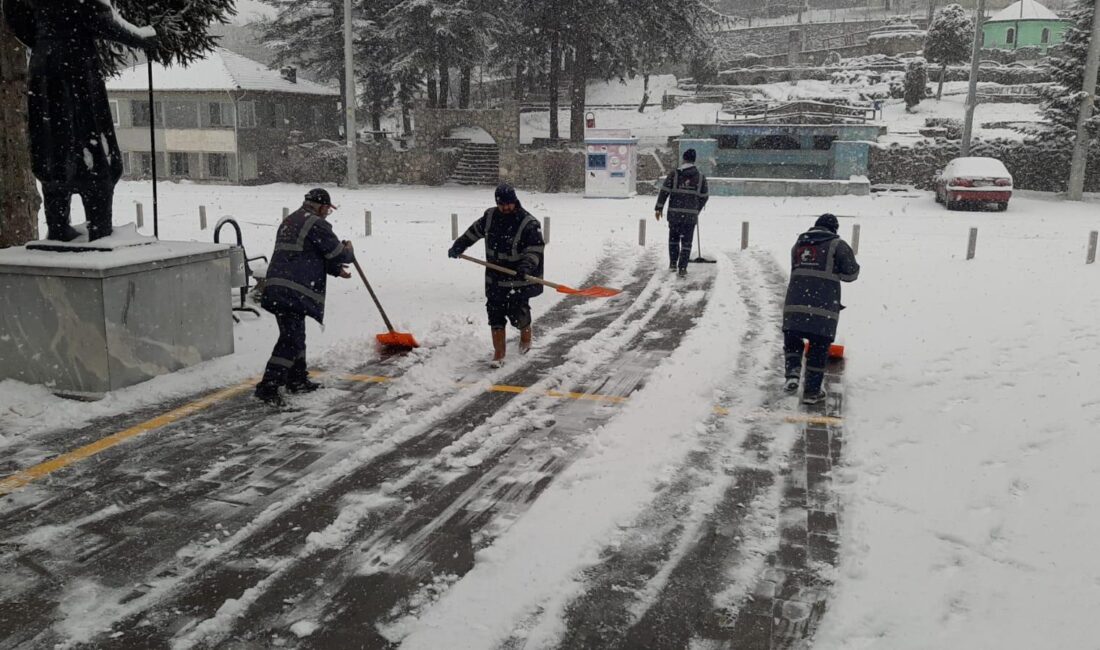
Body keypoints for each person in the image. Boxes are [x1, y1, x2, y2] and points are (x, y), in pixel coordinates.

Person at [2, 0, 157, 242]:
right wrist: (143, 37)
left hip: (44, 67)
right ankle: (99, 227)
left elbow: (14, 13)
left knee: (52, 146)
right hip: (76, 67)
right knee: (92, 147)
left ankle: (57, 223)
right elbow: (98, 16)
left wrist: (46, 37)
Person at [255, 188, 356, 406]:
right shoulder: (316, 224)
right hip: (293, 290)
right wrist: (348, 251)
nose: (327, 214)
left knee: (294, 334)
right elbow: (336, 253)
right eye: (327, 210)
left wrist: (335, 270)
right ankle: (269, 385)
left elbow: (307, 253)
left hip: (278, 288)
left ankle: (297, 379)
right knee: (291, 339)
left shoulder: (291, 220)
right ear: (321, 206)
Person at [448, 183, 545, 368]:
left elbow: (535, 250)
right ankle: (499, 354)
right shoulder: (490, 216)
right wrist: (459, 246)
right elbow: (473, 232)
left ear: (515, 201)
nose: (505, 208)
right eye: (502, 205)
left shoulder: (528, 223)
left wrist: (526, 266)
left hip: (517, 277)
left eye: (508, 204)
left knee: (518, 314)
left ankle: (525, 332)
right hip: (494, 276)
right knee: (495, 314)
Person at [782, 214, 860, 405]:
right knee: (818, 348)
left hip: (794, 303)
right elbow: (851, 273)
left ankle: (792, 373)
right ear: (834, 229)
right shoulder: (837, 244)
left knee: (793, 340)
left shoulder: (799, 243)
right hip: (823, 307)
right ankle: (812, 392)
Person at [654, 148, 709, 277]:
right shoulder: (701, 177)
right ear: (694, 160)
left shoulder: (674, 175)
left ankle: (673, 263)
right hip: (690, 217)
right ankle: (682, 267)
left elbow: (664, 192)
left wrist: (659, 208)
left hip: (674, 215)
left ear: (684, 159)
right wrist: (696, 209)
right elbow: (705, 196)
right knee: (687, 242)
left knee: (673, 239)